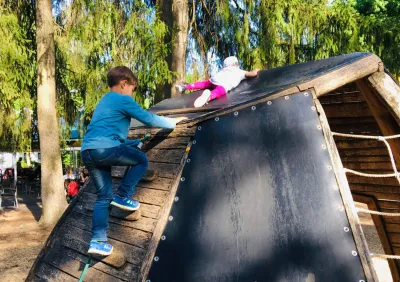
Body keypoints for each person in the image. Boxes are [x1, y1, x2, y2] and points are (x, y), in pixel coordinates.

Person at [81, 66, 186, 256]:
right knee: (140, 160)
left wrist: (135, 142)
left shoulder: (104, 101)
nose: (132, 93)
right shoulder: (123, 99)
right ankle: (123, 195)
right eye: (132, 89)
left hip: (88, 151)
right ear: (124, 84)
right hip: (104, 149)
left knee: (104, 196)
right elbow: (148, 118)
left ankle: (97, 241)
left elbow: (111, 137)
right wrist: (172, 123)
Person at [176, 56, 260, 107]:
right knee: (219, 91)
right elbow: (252, 74)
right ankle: (209, 97)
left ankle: (185, 87)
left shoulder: (223, 70)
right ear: (235, 64)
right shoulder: (239, 71)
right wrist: (256, 70)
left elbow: (207, 82)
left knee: (203, 84)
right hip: (223, 85)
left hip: (214, 80)